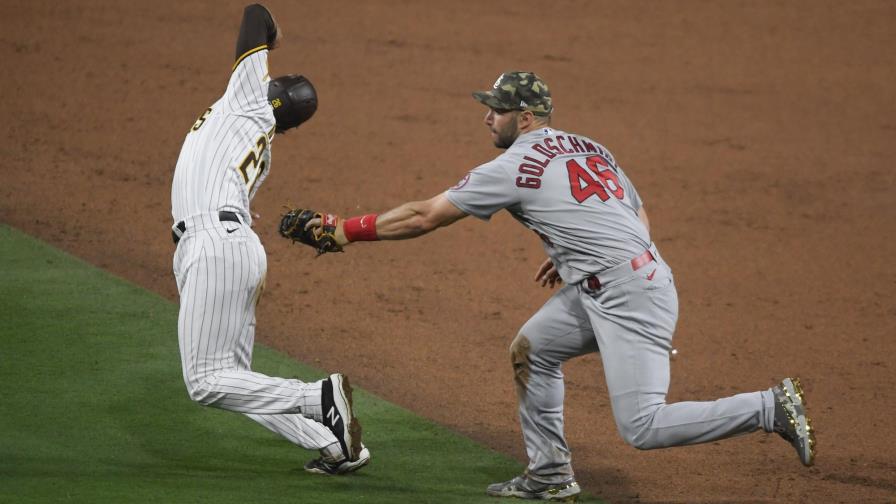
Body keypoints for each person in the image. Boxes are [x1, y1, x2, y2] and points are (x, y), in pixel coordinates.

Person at [283, 71, 815, 500]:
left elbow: (424, 216)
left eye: (498, 109)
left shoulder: (513, 164)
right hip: (618, 278)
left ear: (527, 116)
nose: (488, 116)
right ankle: (550, 475)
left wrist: (345, 230)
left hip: (629, 294)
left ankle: (769, 408)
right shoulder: (590, 147)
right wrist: (584, 255)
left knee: (643, 427)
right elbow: (636, 209)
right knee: (532, 351)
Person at [170, 4, 368, 475]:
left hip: (215, 244)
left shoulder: (247, 101)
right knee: (236, 380)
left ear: (269, 91)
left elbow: (255, 14)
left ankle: (317, 397)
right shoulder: (260, 135)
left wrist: (273, 36)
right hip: (234, 245)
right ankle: (334, 443)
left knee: (205, 382)